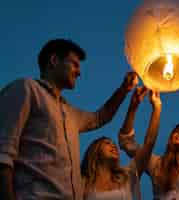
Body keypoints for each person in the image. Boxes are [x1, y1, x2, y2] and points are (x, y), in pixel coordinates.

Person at [0, 38, 138, 200]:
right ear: (54, 60)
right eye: (74, 64)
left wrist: (124, 90)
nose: (79, 72)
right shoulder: (26, 89)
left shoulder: (71, 113)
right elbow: (3, 153)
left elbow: (101, 117)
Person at [81, 87, 162, 200]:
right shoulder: (83, 182)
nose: (113, 145)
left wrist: (156, 108)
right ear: (95, 150)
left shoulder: (127, 176)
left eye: (113, 143)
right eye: (107, 143)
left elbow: (149, 143)